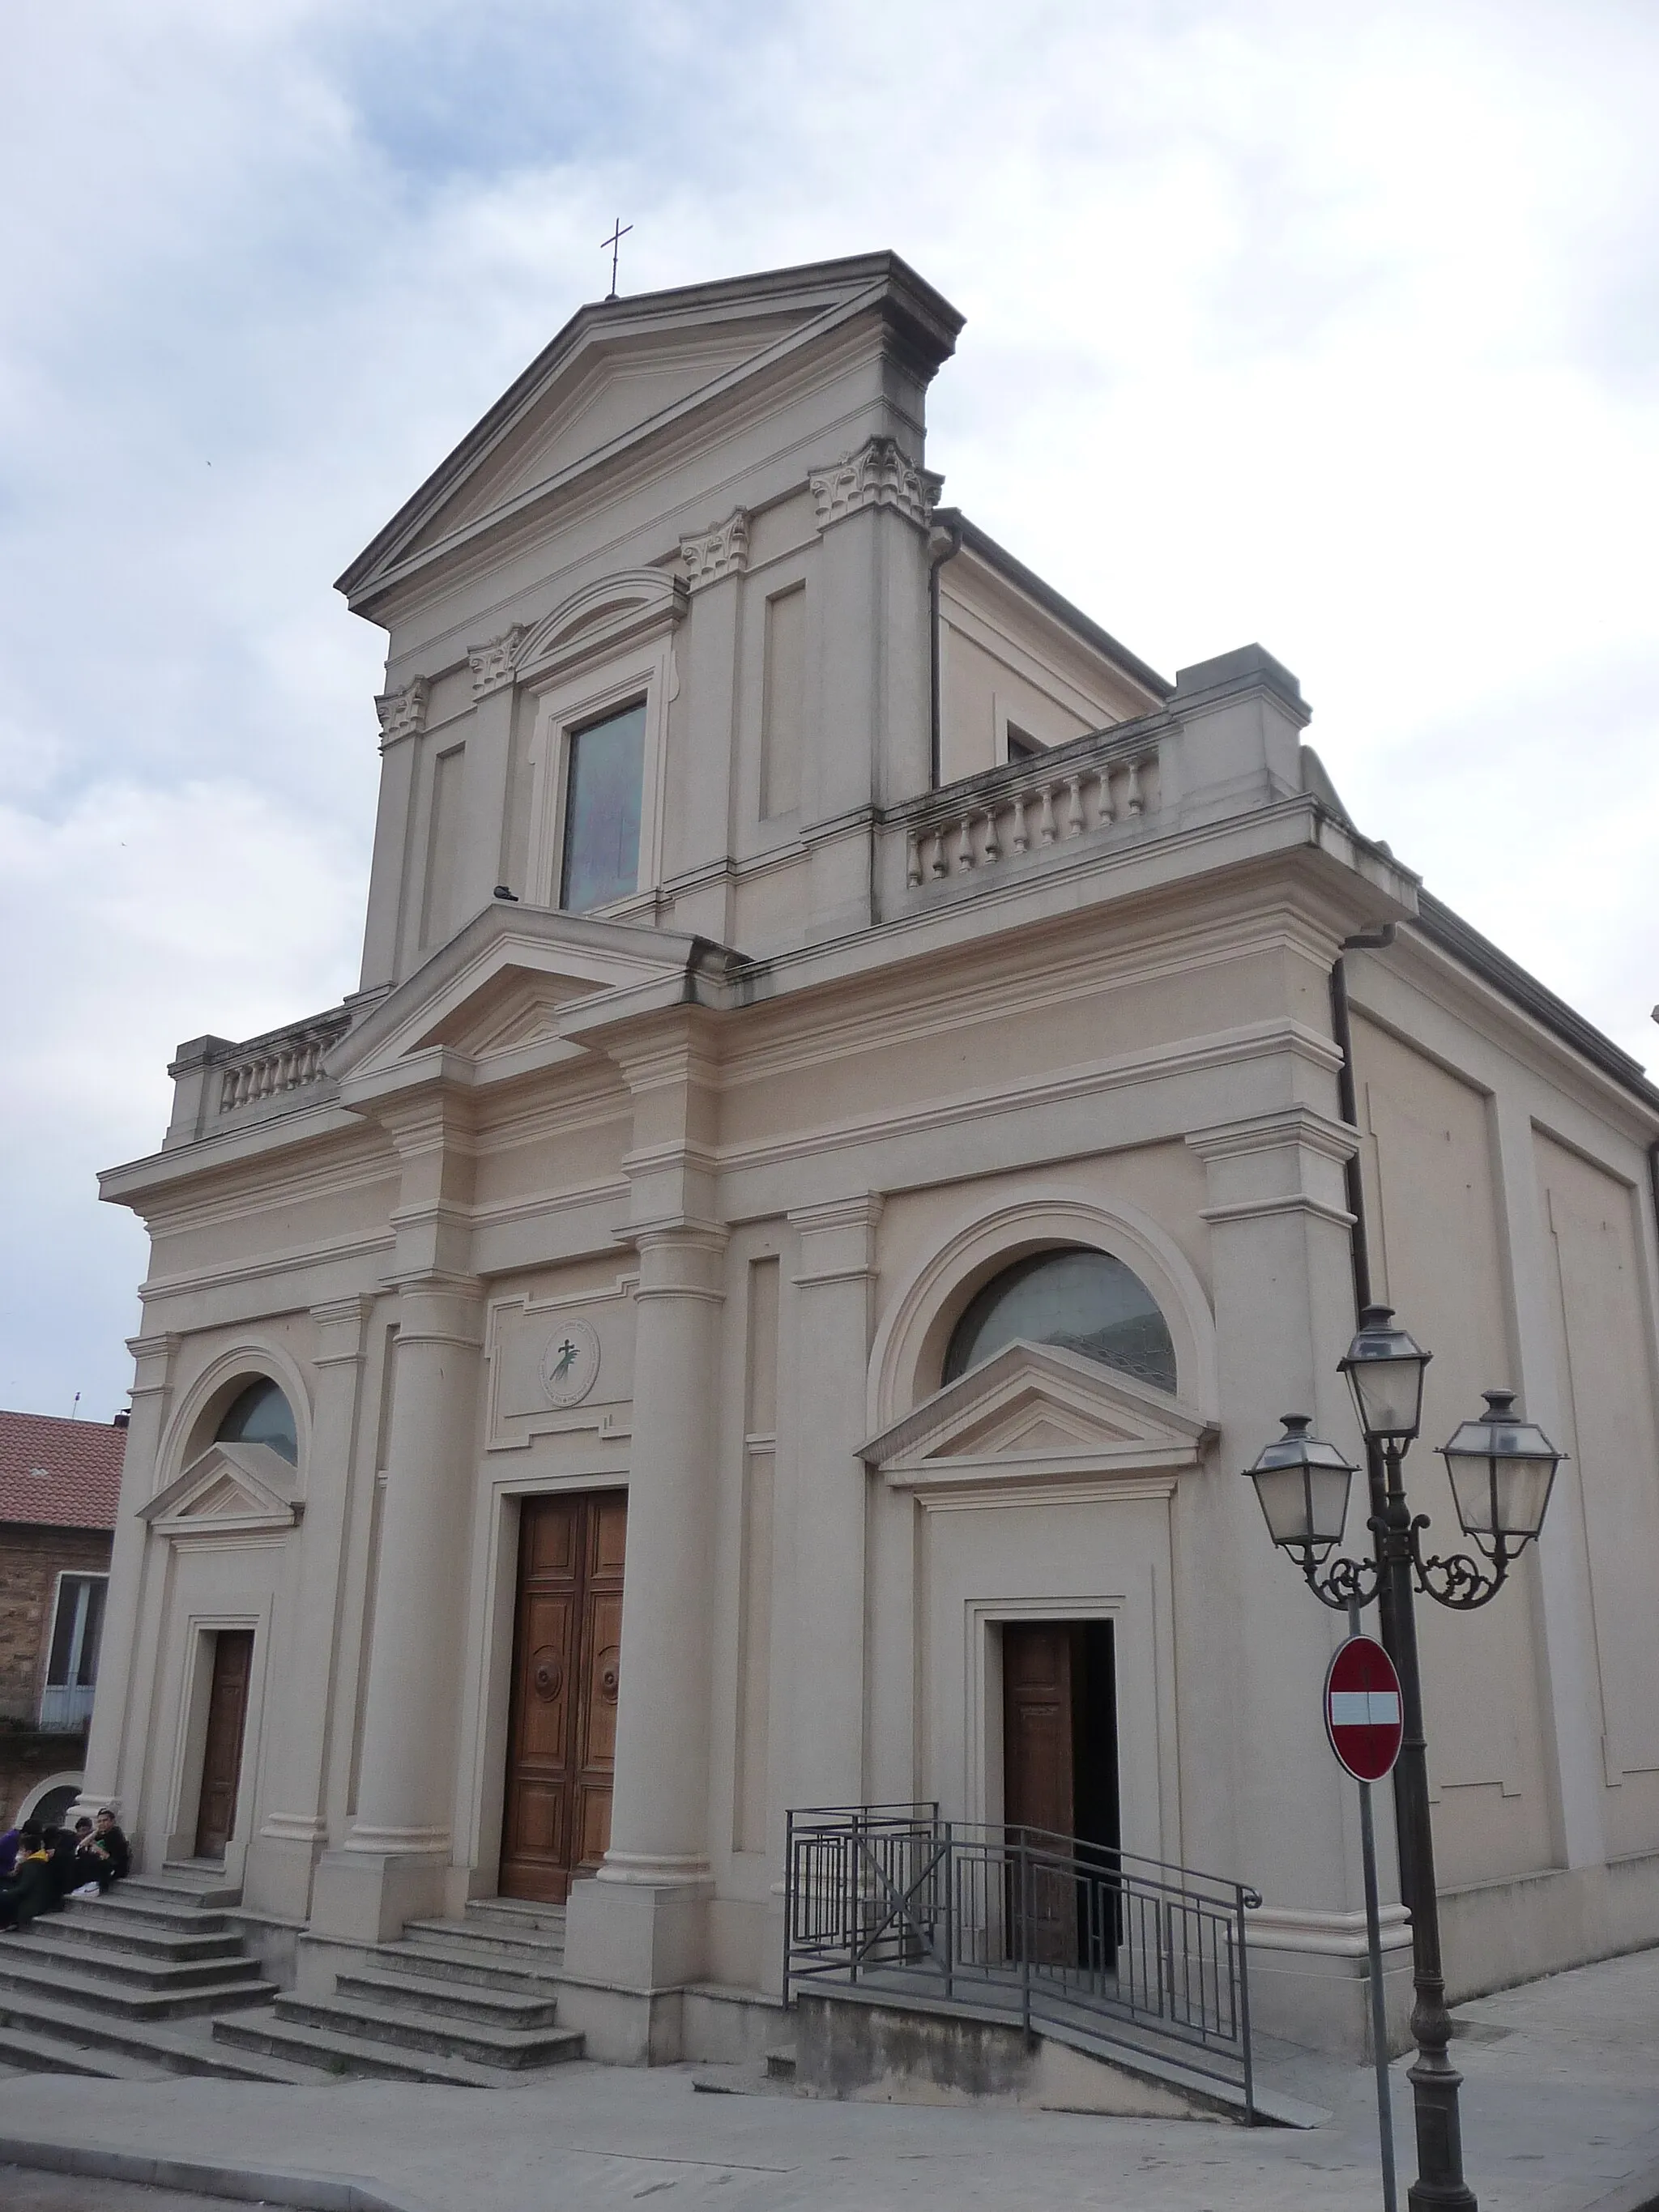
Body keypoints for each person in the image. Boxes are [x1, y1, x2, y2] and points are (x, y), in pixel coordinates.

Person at [0, 1829, 53, 1930]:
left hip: (31, 1903)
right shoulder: (34, 1863)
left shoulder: (32, 1865)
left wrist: (4, 1893)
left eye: (22, 1850)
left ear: (28, 1852)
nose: (20, 1853)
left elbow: (24, 1888)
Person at [83, 1809, 130, 1890]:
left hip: (116, 1867)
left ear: (112, 1821)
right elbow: (82, 1844)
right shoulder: (103, 1833)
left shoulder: (115, 1834)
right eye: (99, 1821)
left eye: (105, 1820)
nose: (102, 1823)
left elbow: (112, 1859)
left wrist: (97, 1848)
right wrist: (96, 1831)